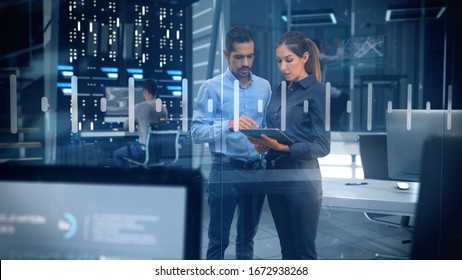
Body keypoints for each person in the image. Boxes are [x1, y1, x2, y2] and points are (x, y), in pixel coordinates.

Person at [191, 26, 271, 259]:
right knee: (218, 240)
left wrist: (265, 143)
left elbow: (264, 126)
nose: (245, 62)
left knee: (247, 240)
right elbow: (196, 132)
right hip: (226, 170)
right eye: (239, 57)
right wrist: (229, 125)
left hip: (257, 170)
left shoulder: (264, 87)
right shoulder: (212, 88)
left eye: (250, 56)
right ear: (227, 55)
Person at [248, 31, 331, 259]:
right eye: (279, 61)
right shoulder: (277, 91)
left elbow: (322, 146)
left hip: (302, 180)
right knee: (286, 251)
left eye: (289, 60)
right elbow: (276, 131)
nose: (283, 66)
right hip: (275, 176)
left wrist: (284, 148)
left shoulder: (317, 93)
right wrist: (262, 144)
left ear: (304, 57)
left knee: (303, 252)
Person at [113, 79, 168, 167]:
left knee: (116, 154)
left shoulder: (139, 107)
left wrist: (136, 124)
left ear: (145, 91)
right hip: (159, 151)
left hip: (143, 151)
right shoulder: (163, 109)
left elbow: (127, 125)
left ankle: (126, 179)